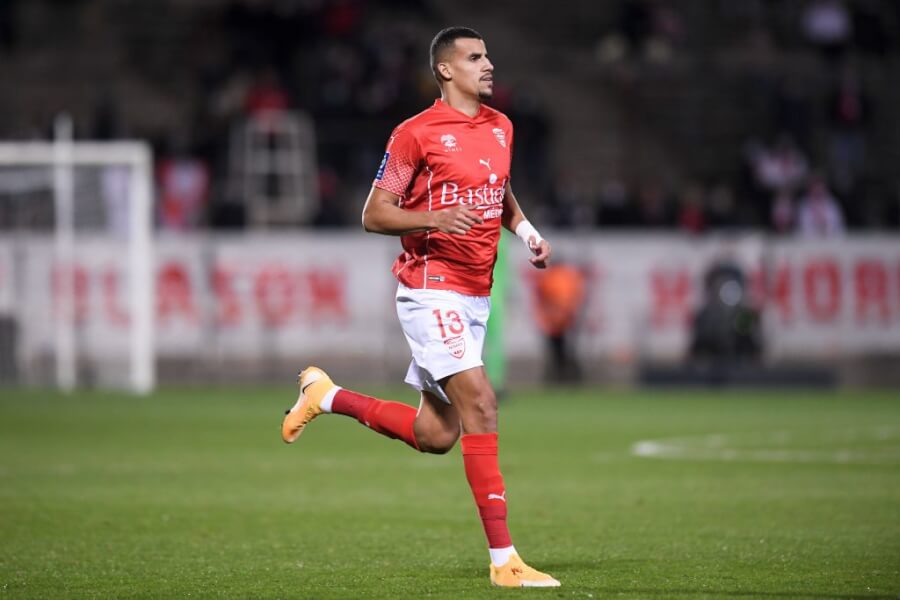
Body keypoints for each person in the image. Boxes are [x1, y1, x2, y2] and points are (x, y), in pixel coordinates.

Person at [281, 26, 560, 588]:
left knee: (437, 435)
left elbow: (497, 191)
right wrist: (433, 217)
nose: (488, 65)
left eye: (488, 55)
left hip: (475, 294)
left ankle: (326, 395)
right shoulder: (416, 134)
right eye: (475, 57)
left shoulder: (501, 127)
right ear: (445, 70)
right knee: (482, 403)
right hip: (431, 287)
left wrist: (525, 229)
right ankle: (505, 561)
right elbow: (374, 214)